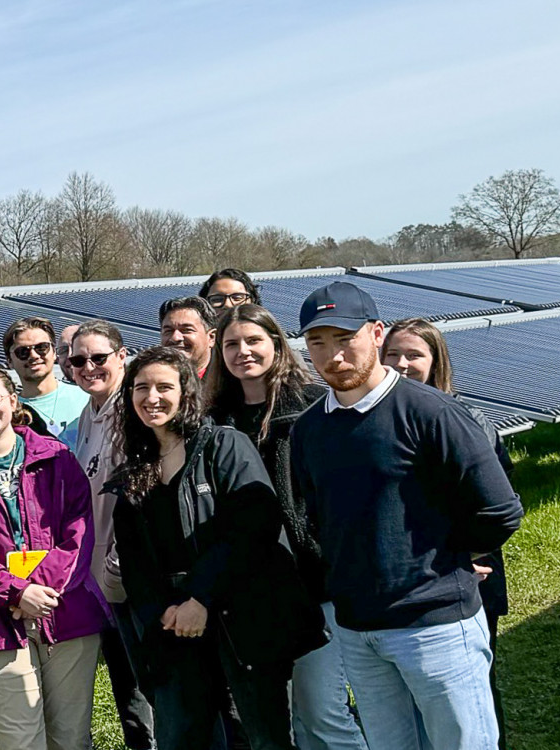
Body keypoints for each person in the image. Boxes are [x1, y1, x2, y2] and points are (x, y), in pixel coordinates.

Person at [315, 310, 519, 750]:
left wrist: (454, 559)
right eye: (396, 354)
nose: (403, 363)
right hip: (363, 623)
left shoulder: (444, 415)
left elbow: (499, 508)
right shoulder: (315, 428)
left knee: (462, 734)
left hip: (437, 611)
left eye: (415, 354)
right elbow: (317, 515)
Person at [111, 347, 326, 750]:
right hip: (171, 628)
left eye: (163, 387)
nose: (151, 397)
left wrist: (202, 599)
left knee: (260, 737)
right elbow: (134, 560)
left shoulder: (224, 446)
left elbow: (253, 527)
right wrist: (163, 613)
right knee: (182, 737)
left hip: (238, 621)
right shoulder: (134, 470)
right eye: (141, 388)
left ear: (186, 393)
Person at [206, 305, 363, 750]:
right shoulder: (215, 419)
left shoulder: (317, 406)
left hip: (317, 581)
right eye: (231, 344)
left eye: (254, 341)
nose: (243, 352)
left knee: (323, 711)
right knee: (287, 719)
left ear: (277, 344)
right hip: (253, 592)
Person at [0, 365, 107, 750]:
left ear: (13, 400)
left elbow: (77, 533)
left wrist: (38, 589)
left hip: (65, 614)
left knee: (71, 739)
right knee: (21, 741)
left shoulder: (58, 459)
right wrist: (16, 593)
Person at [63, 321, 154, 750]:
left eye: (99, 358)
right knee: (129, 694)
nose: (88, 367)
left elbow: (142, 496)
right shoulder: (88, 414)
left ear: (122, 356)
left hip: (133, 580)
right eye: (78, 360)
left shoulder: (132, 411)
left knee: (151, 691)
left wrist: (118, 570)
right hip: (103, 583)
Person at [3, 318, 91, 441]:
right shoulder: (9, 413)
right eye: (23, 352)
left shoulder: (88, 398)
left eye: (41, 347)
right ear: (9, 362)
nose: (34, 355)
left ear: (54, 352)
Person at [159, 296, 217, 378]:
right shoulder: (145, 380)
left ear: (211, 338)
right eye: (168, 331)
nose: (175, 338)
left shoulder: (233, 384)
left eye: (186, 330)